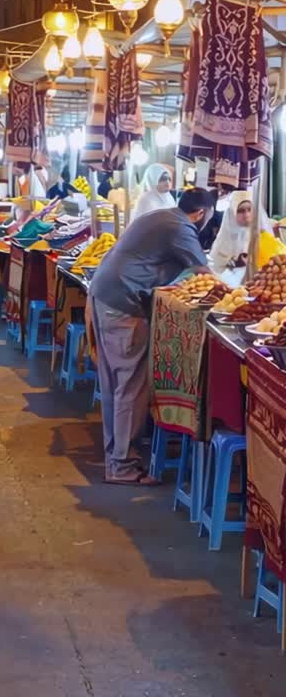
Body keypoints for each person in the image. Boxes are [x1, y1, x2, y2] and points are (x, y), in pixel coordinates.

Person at [88, 187, 213, 486]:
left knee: (115, 384)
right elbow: (203, 274)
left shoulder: (162, 215)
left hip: (105, 294)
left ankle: (116, 457)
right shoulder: (181, 227)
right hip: (123, 303)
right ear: (201, 214)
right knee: (130, 385)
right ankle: (121, 466)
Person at [210, 190, 272, 285]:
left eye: (249, 209)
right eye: (240, 211)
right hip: (232, 289)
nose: (246, 215)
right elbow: (216, 268)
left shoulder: (263, 234)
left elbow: (272, 263)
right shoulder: (225, 236)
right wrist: (233, 264)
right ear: (233, 212)